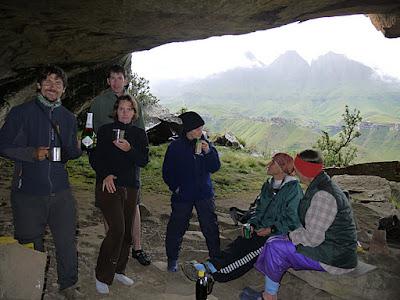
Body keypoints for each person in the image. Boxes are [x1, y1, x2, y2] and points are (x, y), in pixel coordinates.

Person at [0, 65, 83, 298]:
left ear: (64, 89)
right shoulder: (21, 113)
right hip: (27, 191)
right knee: (30, 240)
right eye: (47, 81)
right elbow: (3, 145)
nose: (52, 86)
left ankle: (68, 285)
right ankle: (33, 284)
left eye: (58, 83)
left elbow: (69, 153)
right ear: (38, 85)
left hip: (61, 191)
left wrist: (79, 149)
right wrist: (31, 153)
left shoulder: (67, 117)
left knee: (66, 241)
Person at [246, 149, 357, 300]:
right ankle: (269, 291)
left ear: (302, 170)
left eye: (296, 167)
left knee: (275, 247)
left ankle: (268, 297)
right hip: (331, 246)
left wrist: (290, 236)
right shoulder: (321, 185)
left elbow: (312, 239)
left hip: (334, 257)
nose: (294, 171)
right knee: (276, 241)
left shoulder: (323, 195)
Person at [182, 153, 303, 283]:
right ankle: (209, 266)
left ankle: (214, 275)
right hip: (261, 228)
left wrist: (271, 229)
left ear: (282, 168)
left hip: (279, 234)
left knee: (251, 251)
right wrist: (251, 224)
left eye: (273, 162)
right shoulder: (268, 185)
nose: (268, 164)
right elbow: (258, 209)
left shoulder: (293, 189)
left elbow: (294, 220)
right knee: (240, 243)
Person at [90, 64, 151, 266]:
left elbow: (141, 136)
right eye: (112, 78)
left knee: (132, 207)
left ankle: (137, 247)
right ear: (108, 81)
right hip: (107, 160)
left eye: (120, 78)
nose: (116, 82)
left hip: (130, 163)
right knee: (110, 207)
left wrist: (133, 149)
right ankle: (112, 246)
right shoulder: (98, 102)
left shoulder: (134, 102)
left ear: (125, 80)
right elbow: (92, 131)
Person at [93, 94, 149, 294]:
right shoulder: (105, 131)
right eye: (121, 109)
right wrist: (105, 174)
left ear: (134, 113)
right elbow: (95, 158)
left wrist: (130, 149)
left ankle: (119, 270)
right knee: (117, 229)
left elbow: (143, 161)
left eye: (129, 109)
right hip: (108, 185)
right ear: (116, 111)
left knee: (126, 234)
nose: (125, 112)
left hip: (131, 187)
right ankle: (101, 274)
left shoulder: (139, 134)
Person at [162, 111, 221, 272]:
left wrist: (208, 152)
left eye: (201, 128)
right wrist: (176, 187)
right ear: (188, 129)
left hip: (204, 194)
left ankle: (216, 259)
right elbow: (167, 171)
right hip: (183, 195)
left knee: (210, 226)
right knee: (177, 226)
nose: (200, 132)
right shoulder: (175, 147)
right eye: (197, 129)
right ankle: (172, 259)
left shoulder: (205, 144)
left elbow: (215, 167)